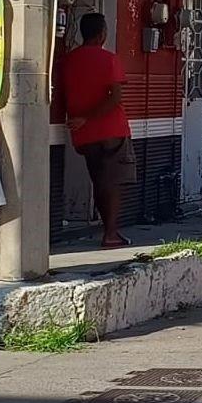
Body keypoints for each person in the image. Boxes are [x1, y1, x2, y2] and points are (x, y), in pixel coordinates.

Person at [61, 13, 135, 248]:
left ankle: (108, 232)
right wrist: (88, 117)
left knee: (99, 180)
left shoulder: (68, 61)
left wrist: (80, 119)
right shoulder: (109, 59)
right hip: (111, 130)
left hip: (84, 135)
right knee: (112, 182)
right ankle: (111, 233)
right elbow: (115, 98)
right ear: (102, 33)